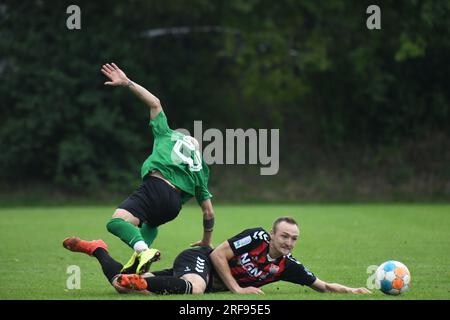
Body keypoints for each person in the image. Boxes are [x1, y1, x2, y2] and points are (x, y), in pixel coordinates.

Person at [99, 63, 215, 274]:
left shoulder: (169, 134)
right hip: (172, 208)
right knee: (150, 225)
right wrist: (206, 241)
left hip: (157, 188)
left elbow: (155, 103)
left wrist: (127, 83)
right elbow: (208, 211)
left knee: (115, 222)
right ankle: (137, 269)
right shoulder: (201, 168)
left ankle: (143, 250)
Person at [62, 217, 371, 295]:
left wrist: (355, 290)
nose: (289, 242)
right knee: (195, 288)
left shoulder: (287, 267)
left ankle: (97, 248)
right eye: (285, 236)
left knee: (119, 286)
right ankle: (142, 284)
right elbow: (220, 254)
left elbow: (322, 285)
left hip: (201, 277)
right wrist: (236, 289)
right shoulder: (256, 237)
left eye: (294, 238)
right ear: (273, 234)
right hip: (200, 259)